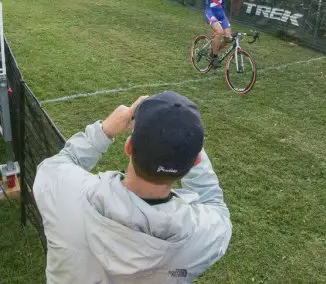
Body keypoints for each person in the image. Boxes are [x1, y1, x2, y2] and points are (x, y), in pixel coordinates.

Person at [34, 92, 231, 283]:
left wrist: (105, 130)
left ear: (128, 146)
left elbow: (58, 164)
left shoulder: (64, 193)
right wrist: (187, 143)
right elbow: (216, 208)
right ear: (195, 161)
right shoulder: (200, 239)